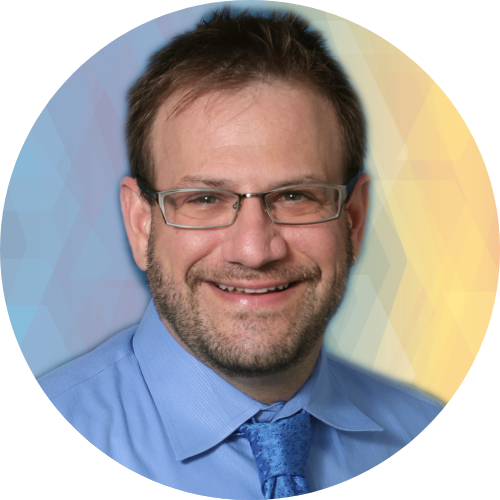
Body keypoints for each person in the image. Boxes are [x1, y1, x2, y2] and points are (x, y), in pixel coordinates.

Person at [37, 7, 444, 498]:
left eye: (295, 196)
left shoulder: (420, 426)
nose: (253, 250)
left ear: (353, 220)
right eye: (205, 199)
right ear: (141, 224)